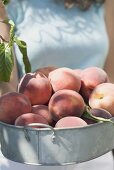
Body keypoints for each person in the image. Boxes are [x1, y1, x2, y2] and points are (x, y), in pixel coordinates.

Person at [0, 0, 114, 170]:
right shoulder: (9, 4)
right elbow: (7, 88)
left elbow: (110, 75)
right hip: (31, 148)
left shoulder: (103, 2)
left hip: (93, 145)